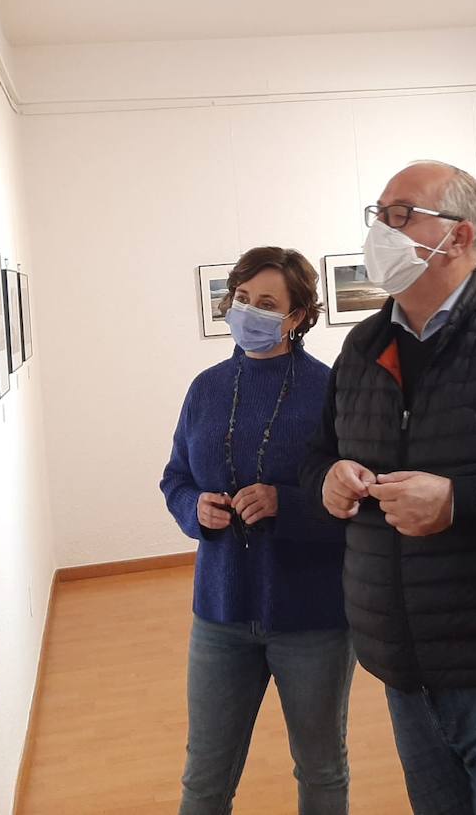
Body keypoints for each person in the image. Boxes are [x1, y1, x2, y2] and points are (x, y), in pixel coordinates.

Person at [301, 162, 476, 815]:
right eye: (378, 214)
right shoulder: (362, 347)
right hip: (404, 671)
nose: (380, 230)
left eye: (400, 215)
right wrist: (327, 481)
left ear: (458, 236)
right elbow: (318, 455)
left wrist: (459, 502)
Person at [160, 246, 353, 815]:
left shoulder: (330, 391)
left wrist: (285, 505)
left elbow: (356, 501)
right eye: (242, 298)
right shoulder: (206, 389)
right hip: (219, 614)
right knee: (204, 777)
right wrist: (194, 508)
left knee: (321, 768)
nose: (248, 311)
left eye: (267, 303)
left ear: (297, 317)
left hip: (313, 617)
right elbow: (175, 478)